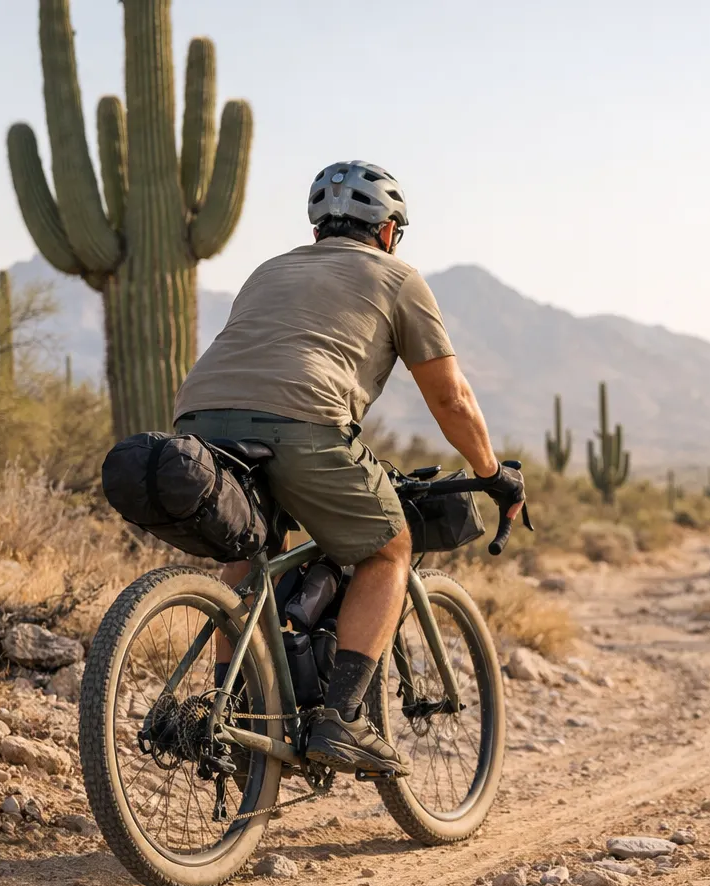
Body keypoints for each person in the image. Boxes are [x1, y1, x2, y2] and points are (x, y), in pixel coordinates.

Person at [171, 160, 524, 777]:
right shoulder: (397, 277)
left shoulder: (268, 271)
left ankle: (235, 715)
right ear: (387, 232)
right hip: (303, 422)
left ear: (318, 231)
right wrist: (491, 470)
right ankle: (342, 720)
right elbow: (451, 399)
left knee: (253, 556)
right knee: (389, 549)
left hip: (197, 421)